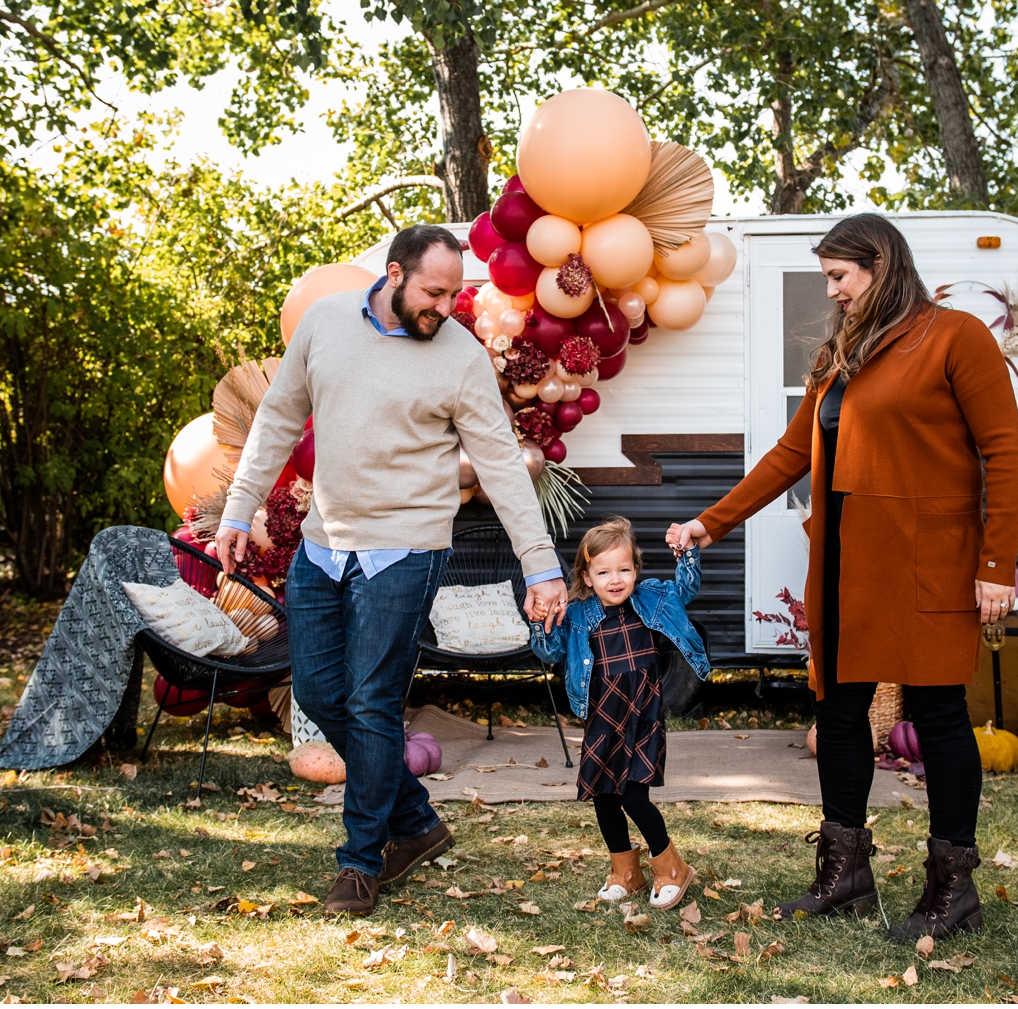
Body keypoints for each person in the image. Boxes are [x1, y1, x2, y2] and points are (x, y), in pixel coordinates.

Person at [666, 212, 1018, 943]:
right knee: (838, 709)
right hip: (843, 559)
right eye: (828, 277)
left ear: (881, 265)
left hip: (926, 559)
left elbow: (1004, 450)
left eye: (840, 277)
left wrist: (995, 564)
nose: (833, 293)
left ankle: (953, 889)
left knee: (939, 711)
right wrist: (712, 521)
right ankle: (845, 874)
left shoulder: (957, 337)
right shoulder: (842, 355)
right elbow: (789, 454)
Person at [216, 225, 569, 917]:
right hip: (323, 546)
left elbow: (499, 461)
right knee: (320, 695)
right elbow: (278, 420)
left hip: (406, 548)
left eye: (453, 292)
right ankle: (416, 818)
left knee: (373, 701)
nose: (444, 304)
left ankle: (360, 860)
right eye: (434, 291)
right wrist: (238, 509)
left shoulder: (460, 355)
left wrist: (540, 565)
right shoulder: (323, 324)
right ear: (394, 273)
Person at [529, 517, 710, 910]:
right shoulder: (577, 614)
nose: (616, 579)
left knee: (633, 795)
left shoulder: (652, 597)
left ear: (636, 570)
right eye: (604, 571)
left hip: (642, 714)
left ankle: (671, 868)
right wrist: (542, 622)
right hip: (602, 717)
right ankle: (625, 873)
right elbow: (551, 652)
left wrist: (687, 553)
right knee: (603, 797)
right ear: (587, 576)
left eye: (624, 569)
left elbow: (686, 588)